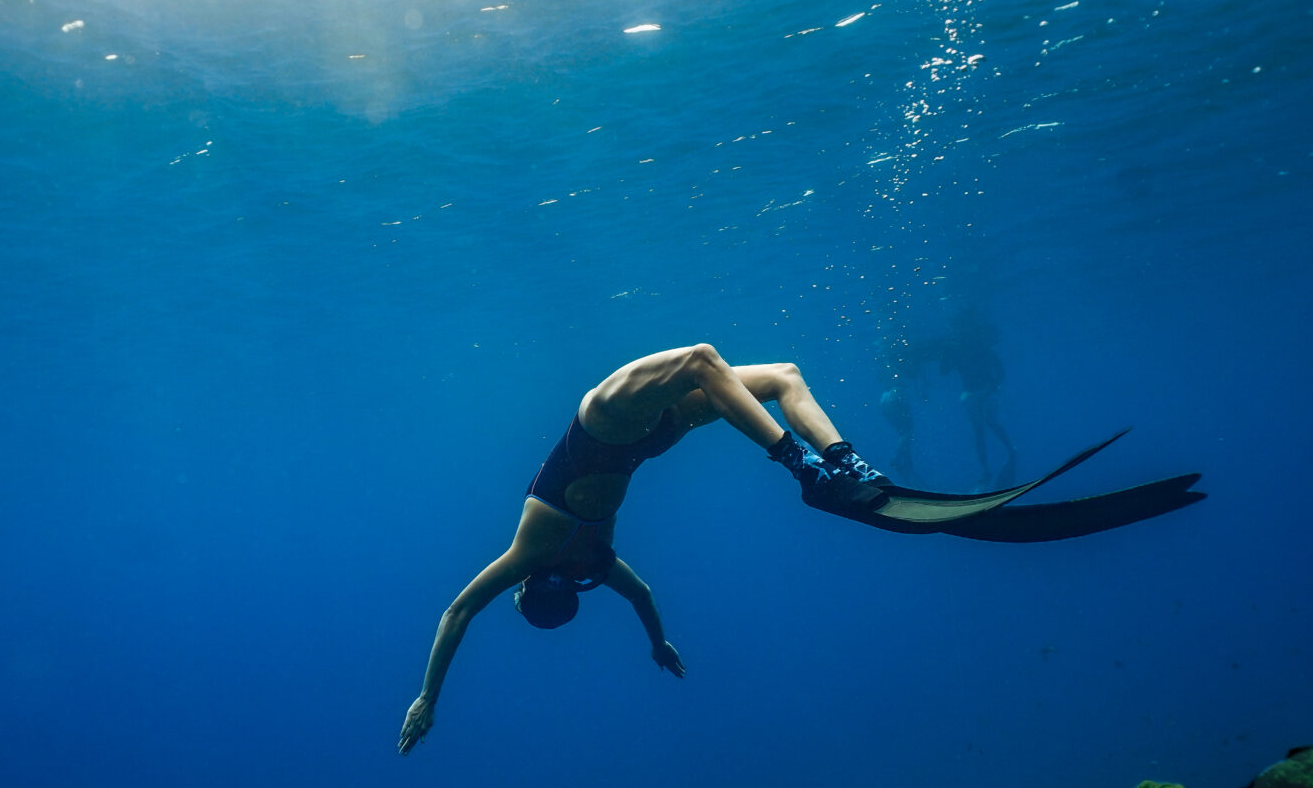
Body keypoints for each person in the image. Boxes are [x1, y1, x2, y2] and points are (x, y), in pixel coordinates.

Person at [396, 343, 885, 755]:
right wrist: (424, 696)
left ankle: (844, 467)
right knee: (707, 360)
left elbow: (642, 595)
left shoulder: (595, 565)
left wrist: (657, 643)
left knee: (779, 375)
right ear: (531, 584)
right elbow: (456, 613)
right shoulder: (533, 554)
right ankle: (813, 465)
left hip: (647, 438)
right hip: (606, 420)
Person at [876, 305, 1018, 488]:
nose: (958, 334)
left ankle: (1007, 454)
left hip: (985, 393)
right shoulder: (961, 350)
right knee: (979, 432)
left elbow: (999, 373)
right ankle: (986, 471)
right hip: (972, 395)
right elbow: (945, 371)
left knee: (989, 424)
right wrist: (946, 356)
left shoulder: (979, 348)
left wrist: (989, 391)